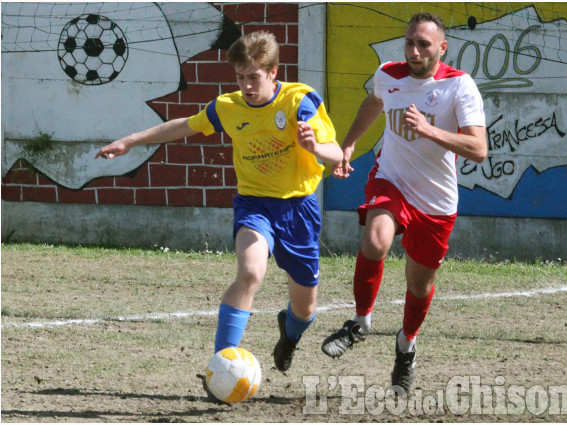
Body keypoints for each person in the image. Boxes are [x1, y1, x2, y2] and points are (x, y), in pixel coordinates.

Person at [96, 31, 343, 398]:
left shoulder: (299, 101)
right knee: (250, 271)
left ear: (273, 72)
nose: (246, 85)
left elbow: (337, 155)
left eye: (254, 76)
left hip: (299, 209)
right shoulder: (228, 106)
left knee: (304, 310)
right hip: (254, 204)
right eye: (240, 77)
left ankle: (288, 336)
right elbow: (185, 125)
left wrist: (316, 146)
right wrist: (130, 140)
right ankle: (220, 369)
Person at [321, 12, 487, 393]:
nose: (414, 51)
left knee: (419, 285)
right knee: (376, 240)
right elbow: (373, 102)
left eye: (423, 44)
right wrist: (349, 144)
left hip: (436, 200)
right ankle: (360, 323)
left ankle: (406, 344)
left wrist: (429, 129)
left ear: (442, 48)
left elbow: (478, 149)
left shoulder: (460, 86)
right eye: (409, 42)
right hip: (391, 180)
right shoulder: (388, 74)